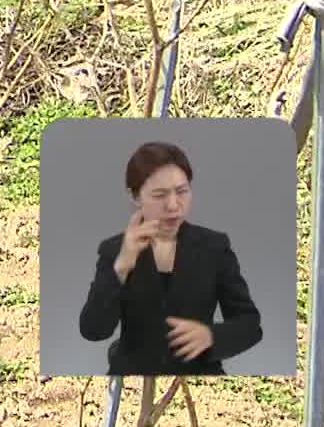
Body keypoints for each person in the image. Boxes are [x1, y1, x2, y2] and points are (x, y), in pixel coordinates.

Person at [77, 141, 262, 376]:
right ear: (135, 196)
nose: (174, 205)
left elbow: (250, 324)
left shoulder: (214, 247)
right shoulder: (114, 250)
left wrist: (212, 336)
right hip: (133, 380)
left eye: (182, 191)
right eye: (159, 195)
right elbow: (93, 330)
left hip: (199, 379)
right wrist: (123, 264)